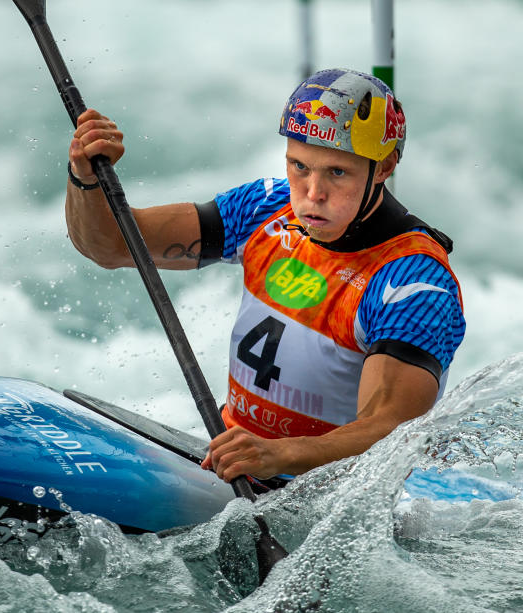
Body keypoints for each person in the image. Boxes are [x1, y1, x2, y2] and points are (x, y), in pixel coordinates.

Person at [64, 68, 465, 485]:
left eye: (337, 172)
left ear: (383, 167)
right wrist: (85, 178)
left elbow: (391, 432)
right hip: (238, 468)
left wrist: (281, 454)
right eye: (299, 166)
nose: (312, 194)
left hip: (328, 501)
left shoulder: (414, 283)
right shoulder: (265, 208)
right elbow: (111, 246)